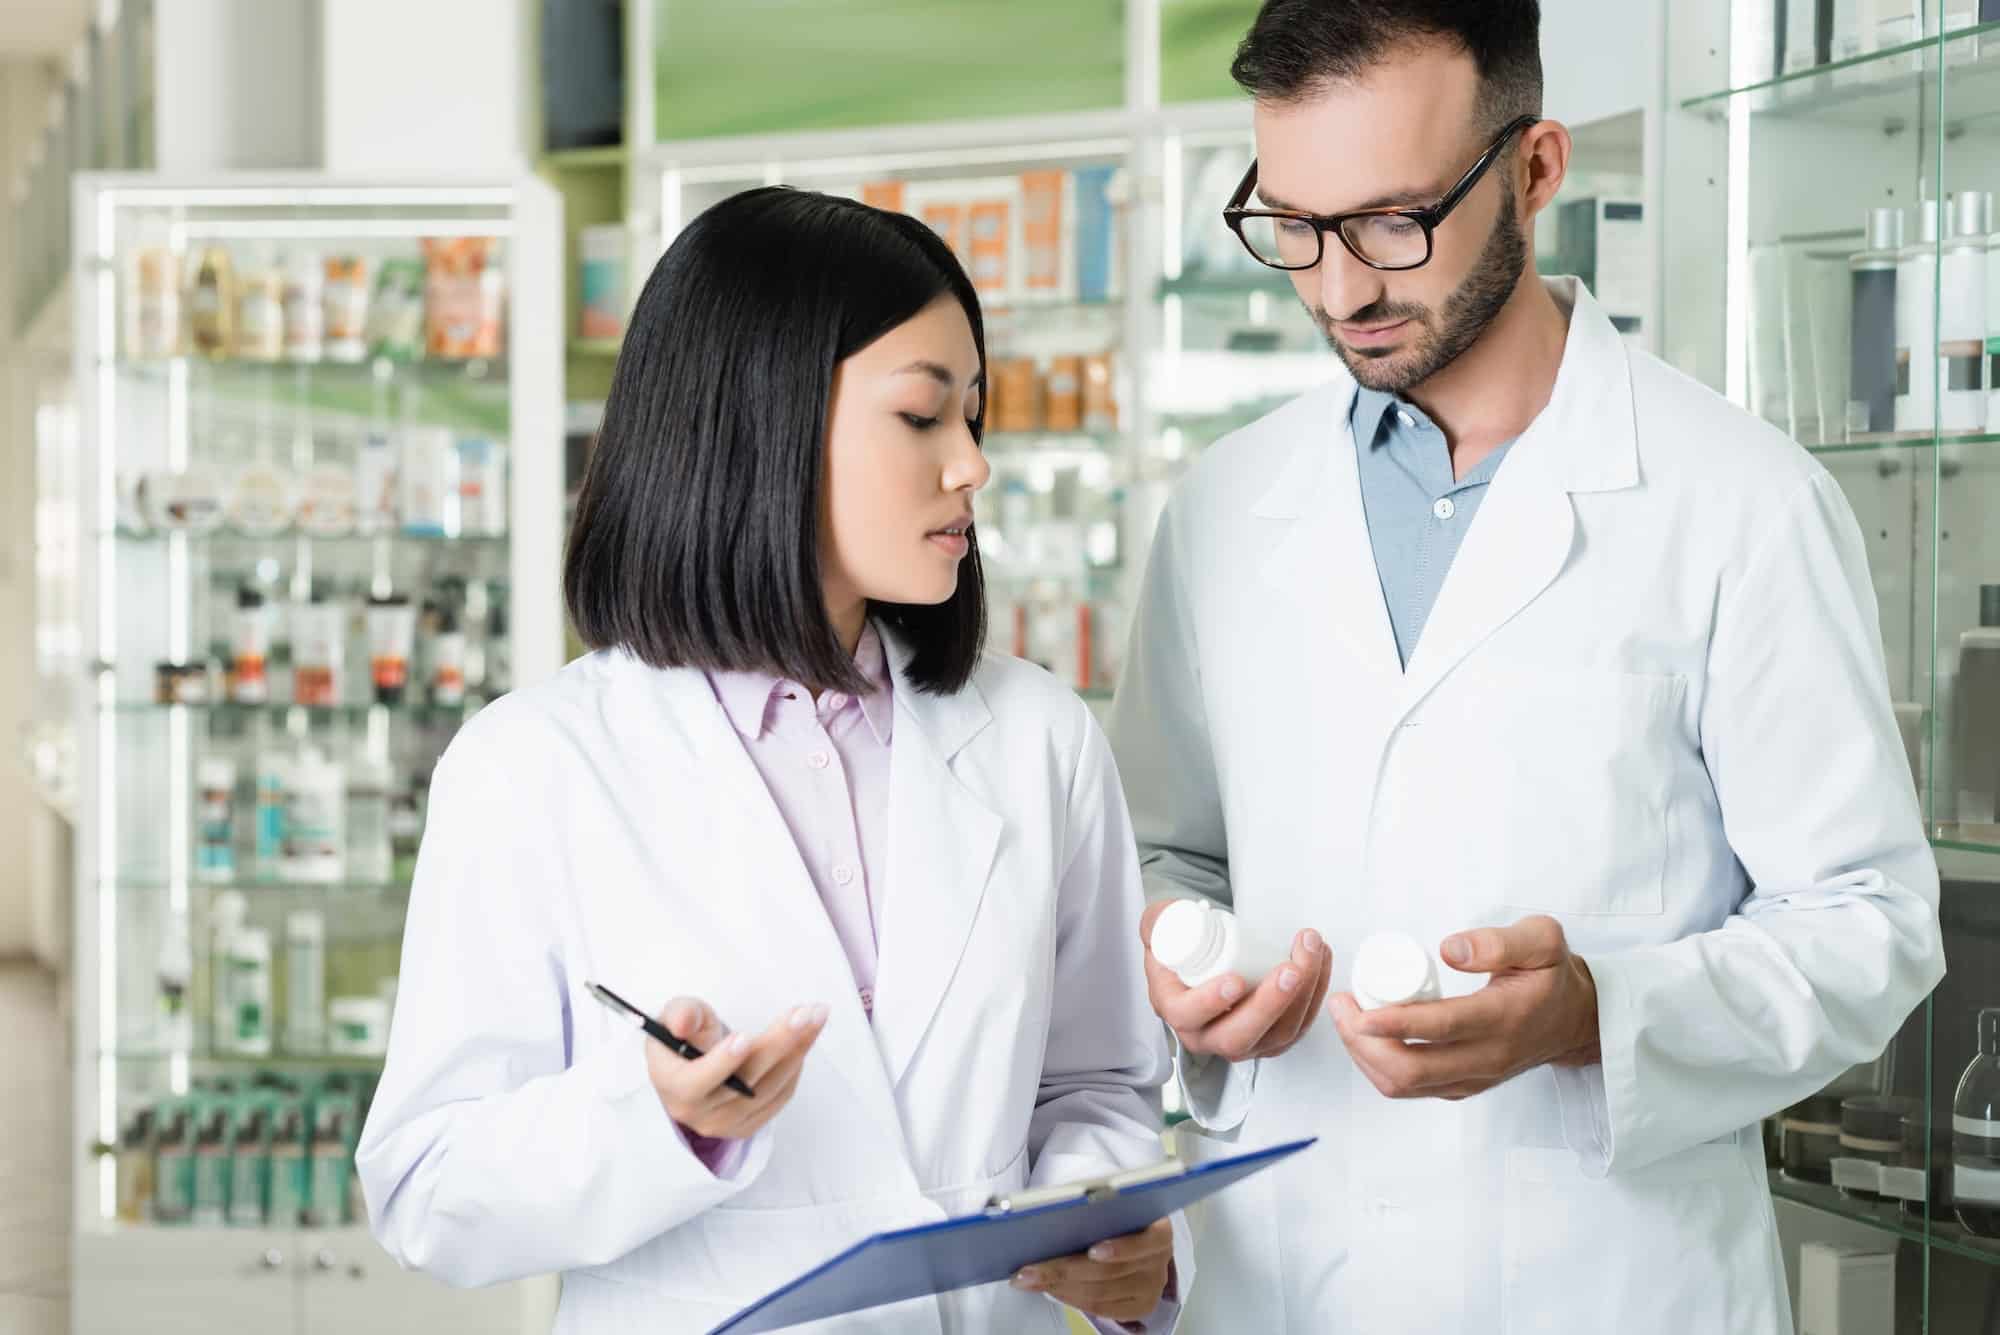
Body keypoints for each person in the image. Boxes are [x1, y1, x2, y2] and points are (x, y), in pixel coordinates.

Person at [1107, 2, 1946, 1330]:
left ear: (1537, 168)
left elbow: (1867, 921)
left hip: (1603, 1280)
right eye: (1296, 227)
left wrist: (1594, 1013)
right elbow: (1160, 852)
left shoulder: (1735, 499)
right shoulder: (1222, 506)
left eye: (1394, 222)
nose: (1340, 287)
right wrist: (1168, 952)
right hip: (1279, 1272)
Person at [357, 186, 1189, 1334]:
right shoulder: (531, 768)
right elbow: (425, 1187)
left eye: (974, 418)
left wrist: (1115, 1234)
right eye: (921, 417)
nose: (970, 466)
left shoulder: (1038, 739)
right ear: (764, 420)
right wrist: (655, 1119)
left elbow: (1094, 1086)